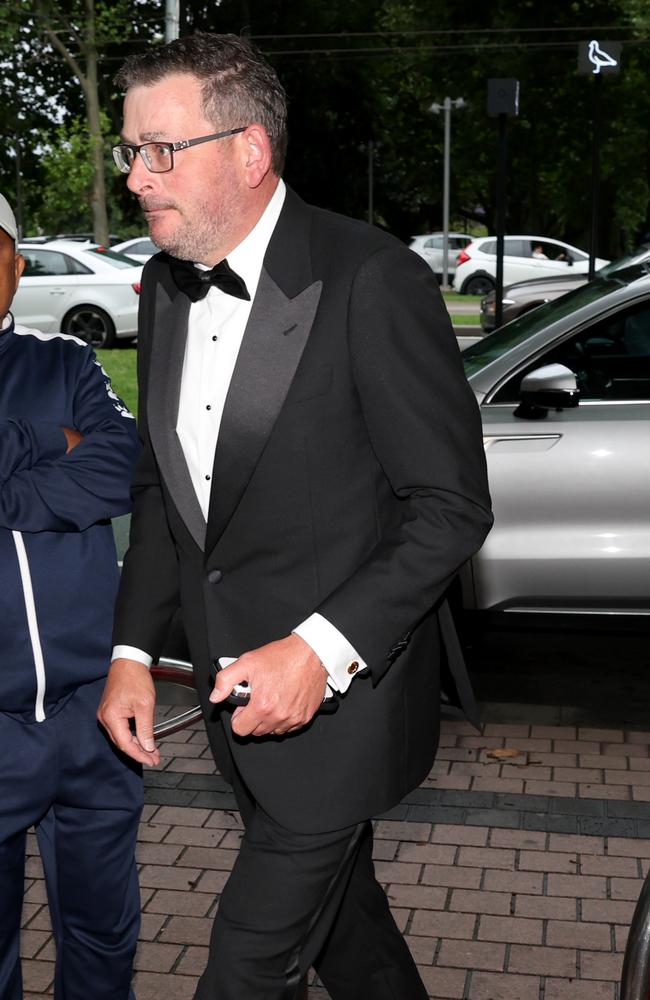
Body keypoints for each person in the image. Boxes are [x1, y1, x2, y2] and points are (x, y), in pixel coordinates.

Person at [98, 33, 492, 1000]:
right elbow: (166, 492)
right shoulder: (164, 286)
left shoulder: (371, 279)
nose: (137, 178)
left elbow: (449, 508)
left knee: (243, 968)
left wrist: (321, 648)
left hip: (338, 705)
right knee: (350, 939)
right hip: (236, 709)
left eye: (161, 150)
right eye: (129, 151)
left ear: (249, 150)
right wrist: (133, 654)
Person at [0, 192, 142, 999]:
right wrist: (47, 443)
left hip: (94, 715)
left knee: (102, 937)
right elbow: (81, 465)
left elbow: (122, 466)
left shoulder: (67, 364)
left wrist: (9, 490)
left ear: (16, 269)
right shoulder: (60, 401)